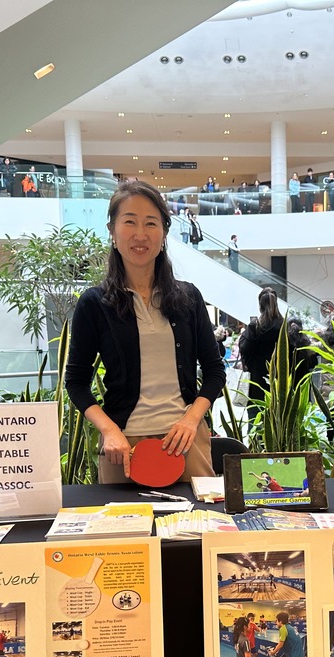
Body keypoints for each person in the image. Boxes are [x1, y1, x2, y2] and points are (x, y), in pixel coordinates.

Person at [64, 181, 225, 484]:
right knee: (125, 529)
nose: (140, 234)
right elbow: (75, 382)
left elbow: (215, 370)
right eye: (130, 222)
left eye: (151, 223)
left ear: (163, 233)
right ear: (112, 230)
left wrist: (192, 419)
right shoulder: (94, 304)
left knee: (198, 528)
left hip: (186, 440)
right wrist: (110, 430)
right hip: (123, 447)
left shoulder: (188, 298)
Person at [238, 287, 285, 420]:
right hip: (279, 379)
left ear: (260, 305)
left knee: (255, 418)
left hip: (256, 380)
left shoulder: (256, 326)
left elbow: (244, 348)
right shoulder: (283, 326)